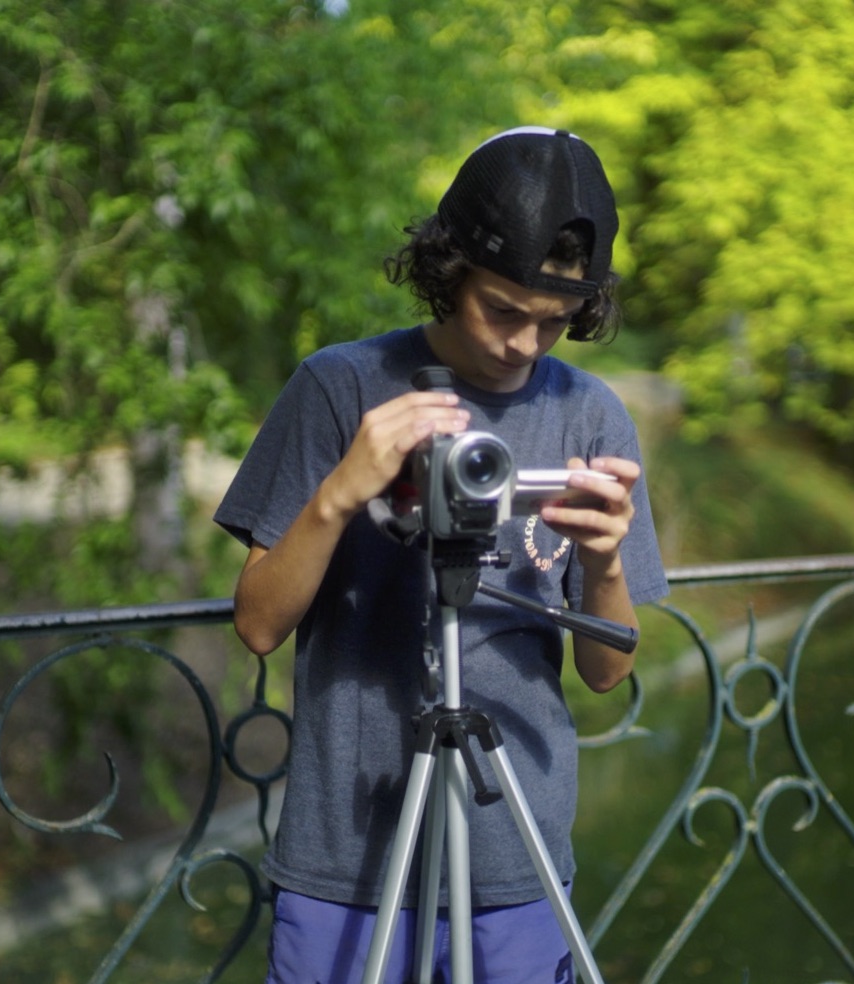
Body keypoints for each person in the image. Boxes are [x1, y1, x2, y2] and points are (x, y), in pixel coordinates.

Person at [213, 126, 669, 984]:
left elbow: (607, 673)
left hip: (514, 849)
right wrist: (341, 492)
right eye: (502, 310)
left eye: (554, 322)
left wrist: (605, 564)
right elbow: (259, 625)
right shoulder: (341, 387)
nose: (523, 344)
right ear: (448, 270)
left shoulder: (589, 413)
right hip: (348, 849)